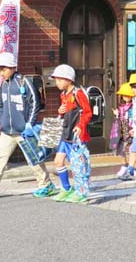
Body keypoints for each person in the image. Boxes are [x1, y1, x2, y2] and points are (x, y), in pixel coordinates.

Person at [0, 52, 57, 199]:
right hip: (7, 131)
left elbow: (35, 103)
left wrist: (29, 124)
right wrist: (2, 120)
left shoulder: (24, 82)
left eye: (4, 69)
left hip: (24, 131)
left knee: (34, 159)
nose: (1, 72)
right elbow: (0, 105)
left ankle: (46, 185)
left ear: (13, 67)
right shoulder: (3, 86)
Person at [50, 64, 93, 203]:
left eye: (60, 80)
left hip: (76, 136)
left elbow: (87, 112)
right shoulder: (63, 94)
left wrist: (81, 126)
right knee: (58, 161)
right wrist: (60, 111)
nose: (57, 83)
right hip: (65, 133)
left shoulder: (78, 93)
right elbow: (66, 111)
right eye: (56, 80)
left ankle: (81, 192)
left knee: (77, 164)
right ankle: (67, 188)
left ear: (69, 80)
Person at [111, 82, 134, 178]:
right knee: (120, 148)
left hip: (130, 129)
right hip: (121, 131)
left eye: (128, 95)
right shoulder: (121, 107)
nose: (126, 97)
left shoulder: (133, 107)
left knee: (133, 150)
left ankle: (134, 168)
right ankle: (124, 165)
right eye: (124, 95)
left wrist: (133, 128)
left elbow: (133, 118)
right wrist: (117, 114)